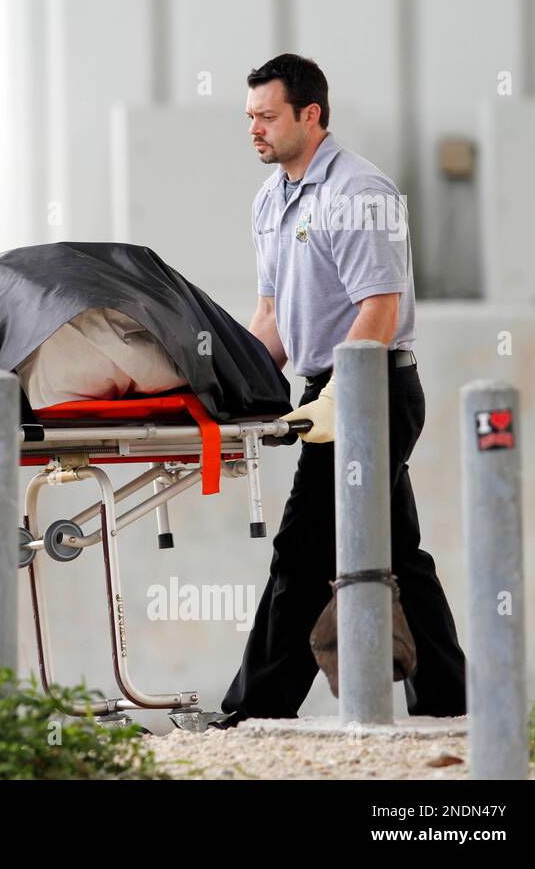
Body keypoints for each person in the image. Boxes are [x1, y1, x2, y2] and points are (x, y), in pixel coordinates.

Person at [213, 54, 467, 728]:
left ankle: (253, 707)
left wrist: (343, 400)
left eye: (267, 117)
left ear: (311, 115)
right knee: (398, 554)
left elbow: (379, 309)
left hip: (372, 386)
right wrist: (231, 392)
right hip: (325, 388)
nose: (255, 130)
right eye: (249, 118)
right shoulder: (272, 201)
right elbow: (270, 320)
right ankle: (450, 699)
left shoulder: (361, 192)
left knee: (301, 551)